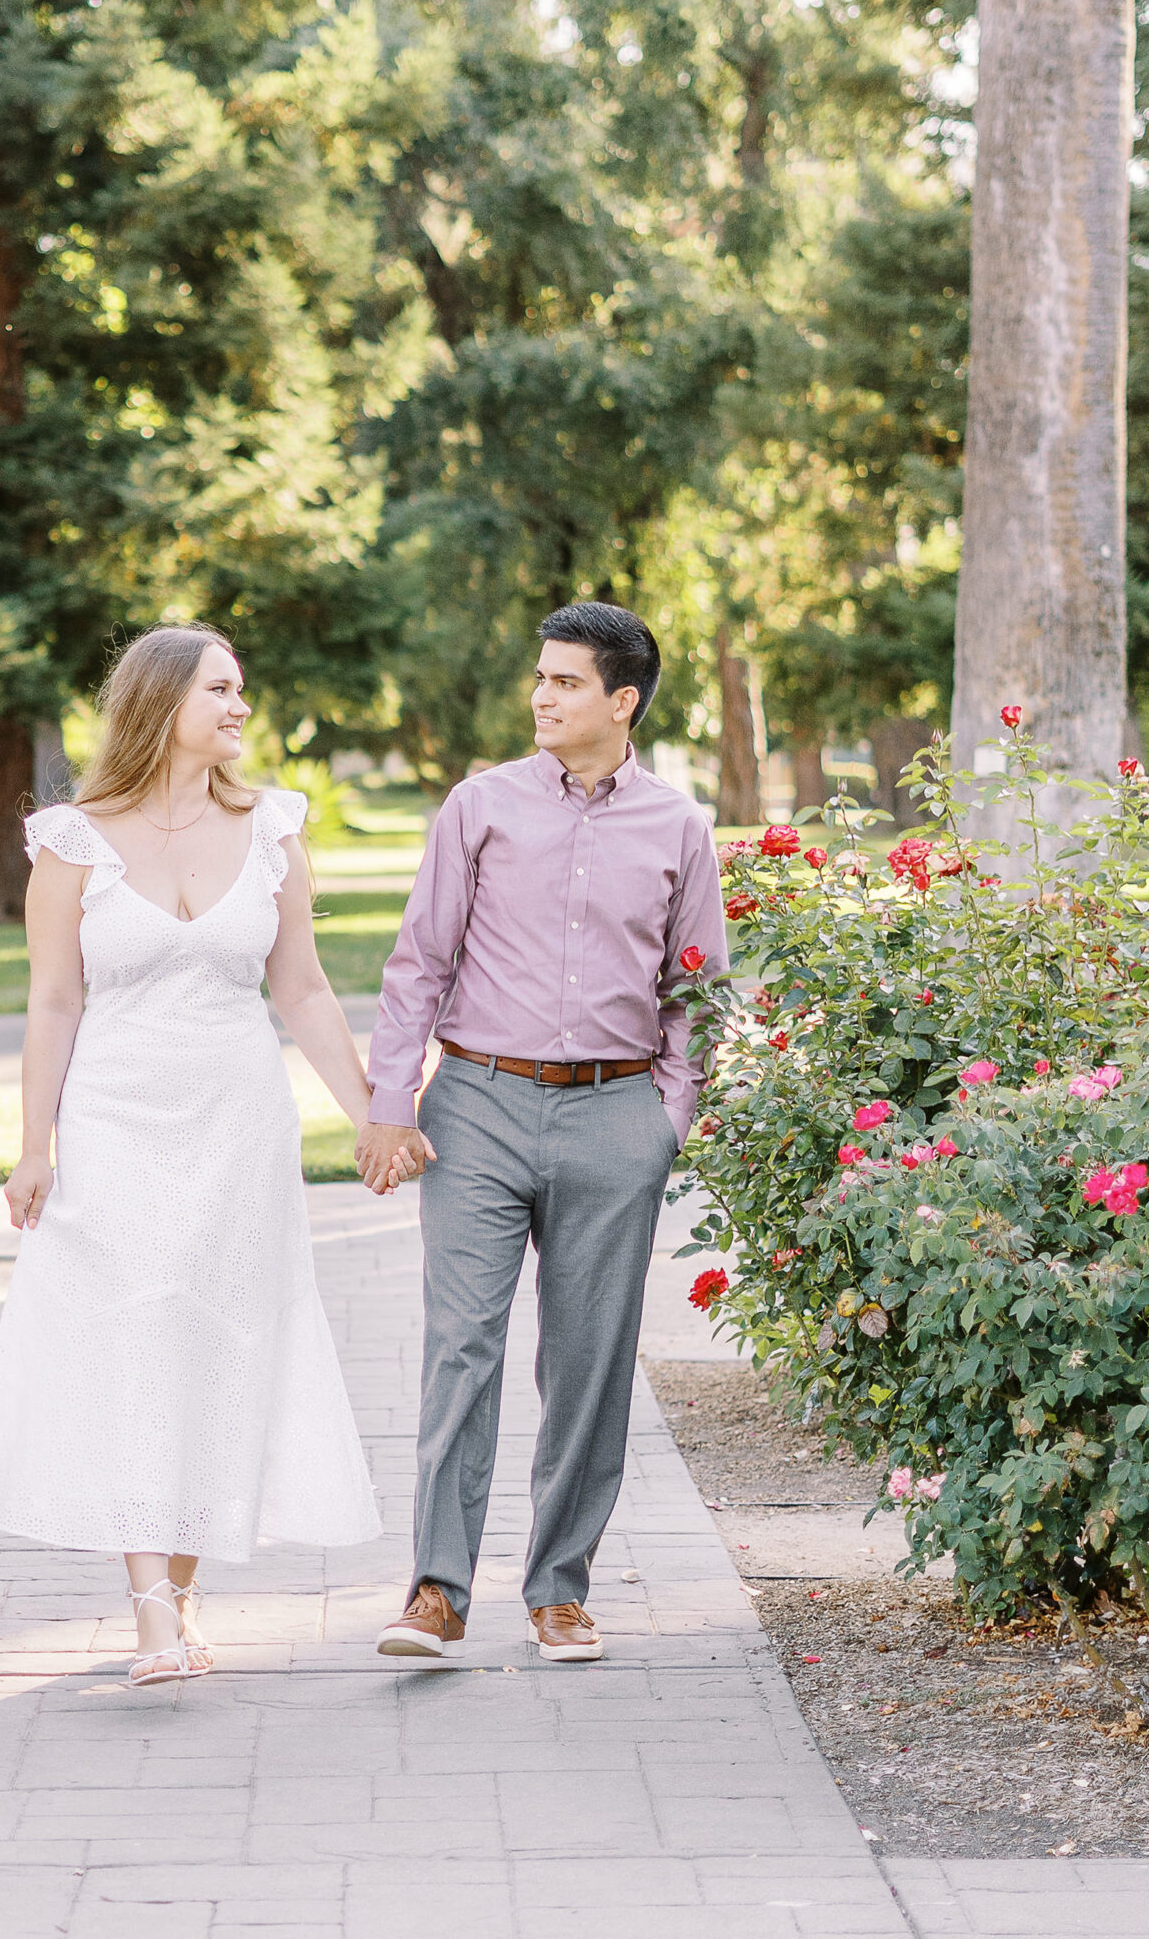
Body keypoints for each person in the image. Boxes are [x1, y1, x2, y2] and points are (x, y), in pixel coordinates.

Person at [0, 625, 386, 1686]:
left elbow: (301, 988)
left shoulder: (273, 828)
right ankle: (152, 1610)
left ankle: (181, 1596)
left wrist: (377, 1113)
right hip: (116, 1123)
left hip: (238, 1123)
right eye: (221, 689)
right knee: (135, 1340)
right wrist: (32, 1148)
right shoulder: (71, 840)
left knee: (220, 1346)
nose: (241, 707)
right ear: (161, 702)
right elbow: (54, 998)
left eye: (241, 688)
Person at [359, 600, 727, 1664]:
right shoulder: (477, 807)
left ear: (621, 700)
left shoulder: (676, 828)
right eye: (539, 677)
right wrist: (392, 1100)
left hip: (615, 1114)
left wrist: (666, 1117)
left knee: (587, 1362)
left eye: (565, 681)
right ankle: (436, 1587)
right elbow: (417, 962)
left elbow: (696, 990)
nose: (541, 696)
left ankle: (559, 1587)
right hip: (474, 1105)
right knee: (461, 1348)